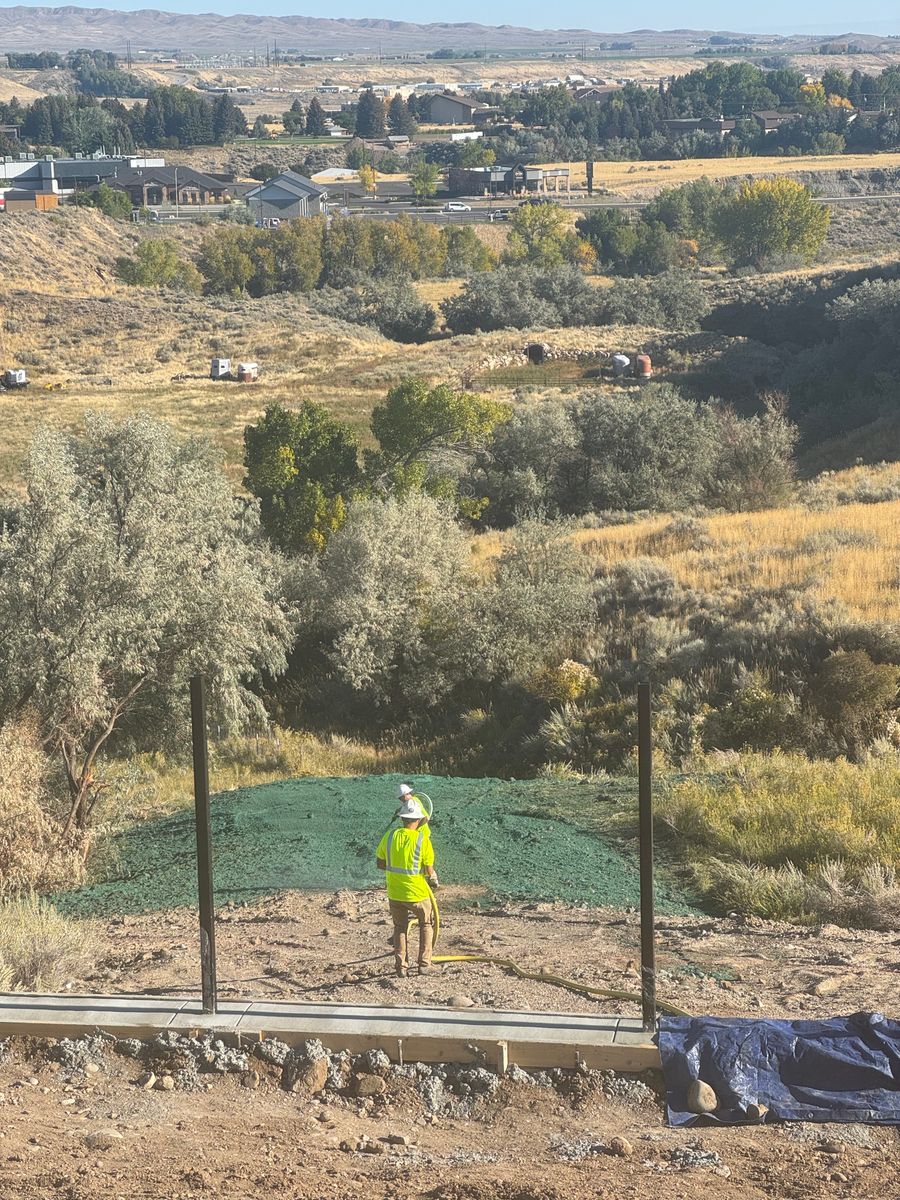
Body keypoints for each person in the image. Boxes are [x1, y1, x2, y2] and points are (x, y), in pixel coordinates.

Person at [376, 786, 439, 978]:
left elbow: (380, 863)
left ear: (403, 818)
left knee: (400, 928)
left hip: (394, 893)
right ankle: (424, 964)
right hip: (417, 893)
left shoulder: (390, 836)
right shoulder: (422, 839)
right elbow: (429, 871)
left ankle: (401, 967)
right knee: (426, 923)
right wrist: (434, 879)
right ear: (419, 819)